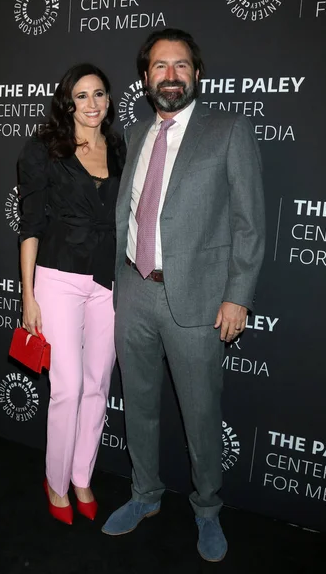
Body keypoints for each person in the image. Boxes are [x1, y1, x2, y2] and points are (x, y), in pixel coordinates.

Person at [102, 29, 265, 562]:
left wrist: (237, 295)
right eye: (158, 67)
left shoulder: (228, 130)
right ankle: (144, 494)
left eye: (180, 66)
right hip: (134, 290)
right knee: (139, 409)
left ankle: (207, 509)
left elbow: (249, 223)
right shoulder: (136, 131)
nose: (169, 76)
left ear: (196, 73)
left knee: (200, 416)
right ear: (146, 77)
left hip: (198, 302)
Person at [18, 64, 125, 525]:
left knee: (98, 384)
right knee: (68, 388)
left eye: (99, 94)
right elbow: (30, 225)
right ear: (68, 103)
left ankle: (82, 476)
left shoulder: (120, 148)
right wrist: (28, 295)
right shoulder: (46, 150)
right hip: (58, 277)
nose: (92, 104)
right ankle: (56, 483)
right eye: (81, 96)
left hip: (108, 281)